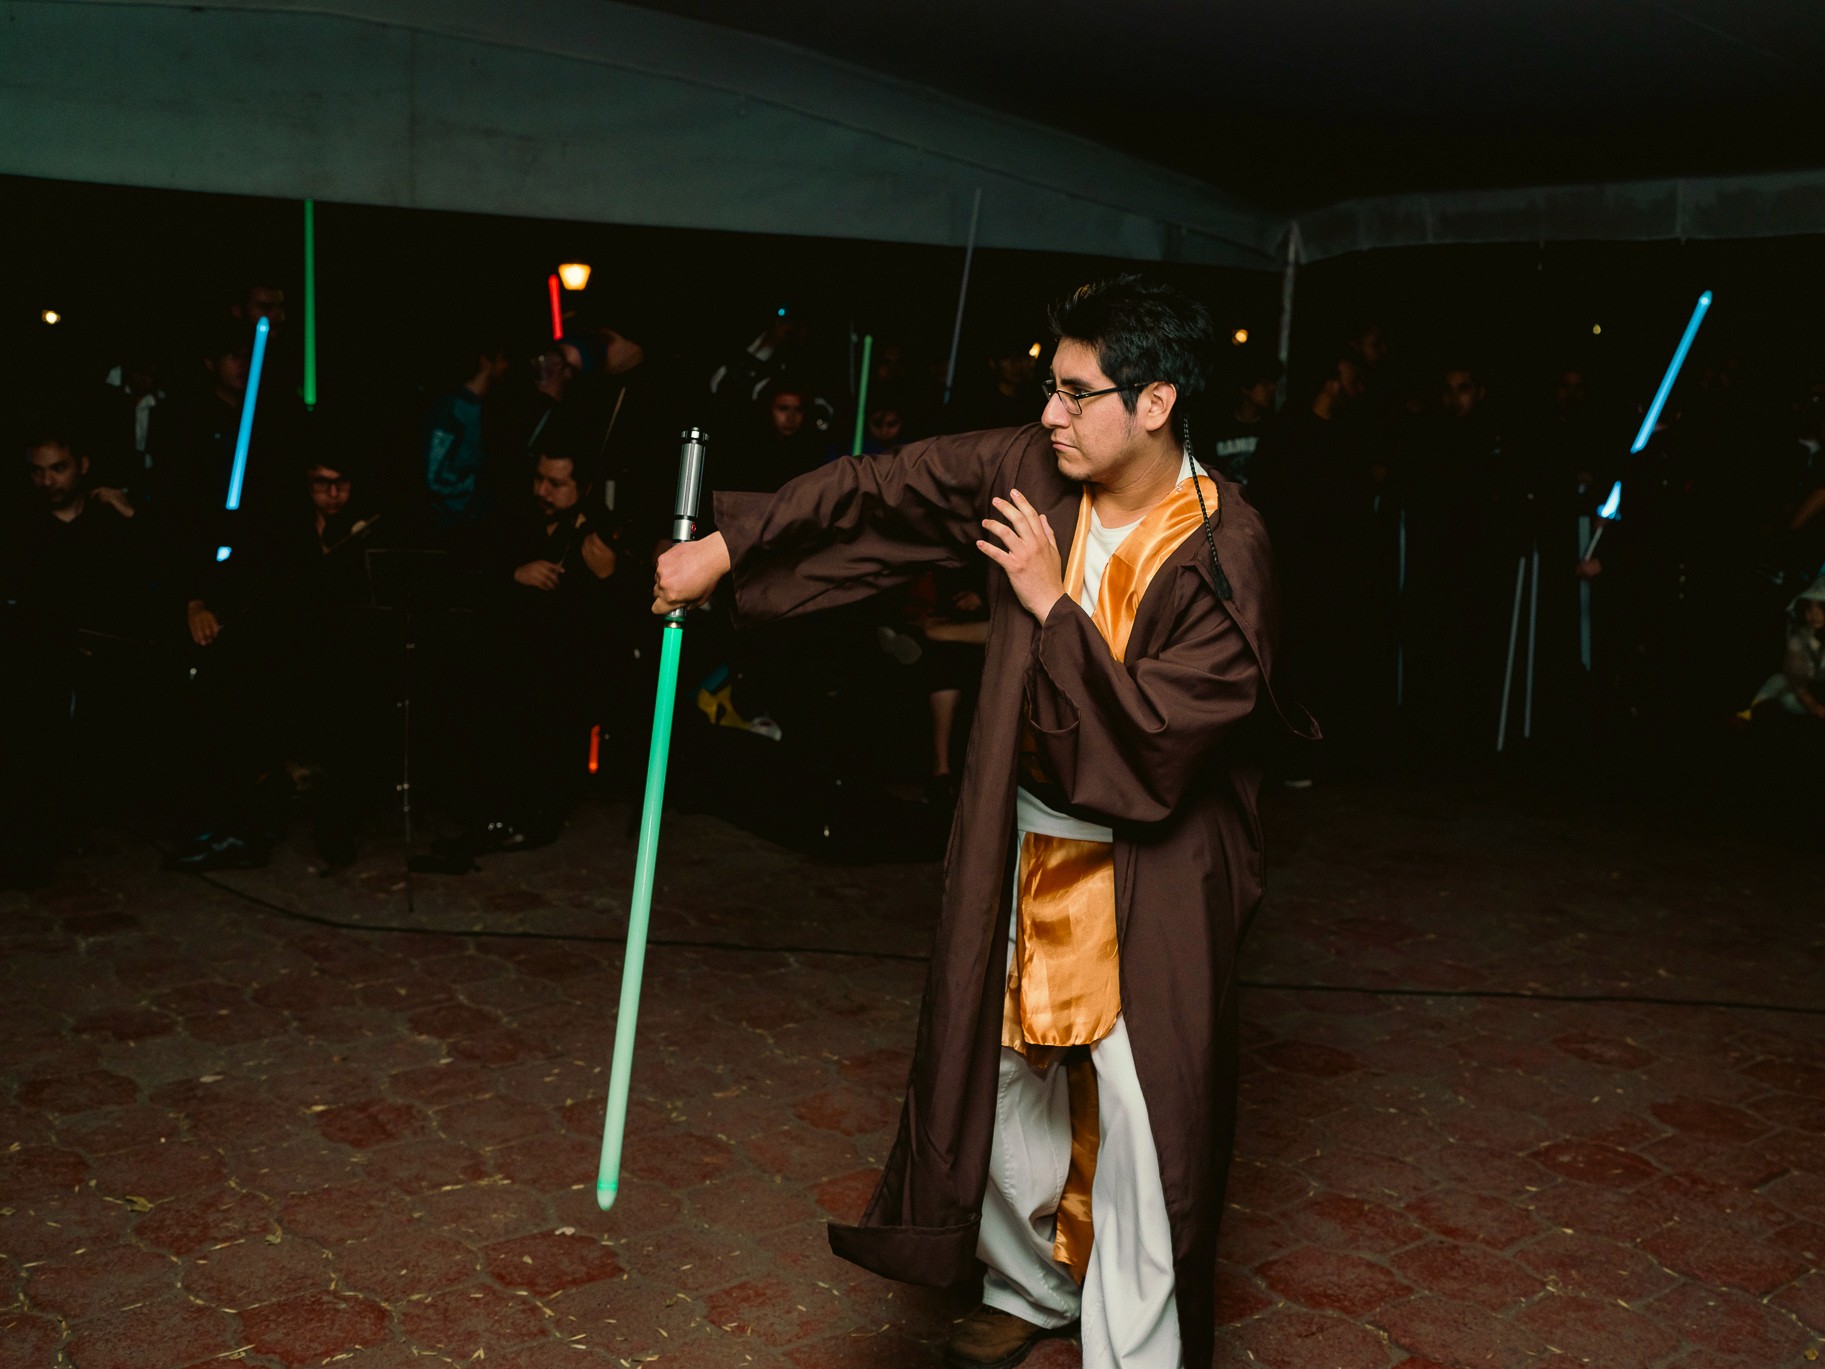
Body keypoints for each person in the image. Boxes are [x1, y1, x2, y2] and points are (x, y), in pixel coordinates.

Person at [655, 275, 1298, 1369]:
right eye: (1048, 389)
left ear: (1155, 402)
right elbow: (884, 490)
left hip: (1152, 864)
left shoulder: (1225, 549)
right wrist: (729, 549)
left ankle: (1130, 1351)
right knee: (992, 1072)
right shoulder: (1031, 472)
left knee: (1149, 1127)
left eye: (1073, 392)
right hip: (1023, 835)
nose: (1046, 414)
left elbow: (1151, 750)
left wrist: (1050, 605)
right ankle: (1031, 1281)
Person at [1202, 347, 1280, 488]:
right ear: (1246, 387)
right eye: (1264, 384)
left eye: (1273, 384)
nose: (1271, 390)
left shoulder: (1274, 429)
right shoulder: (1217, 428)